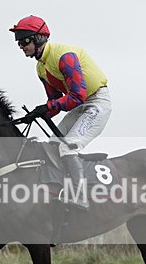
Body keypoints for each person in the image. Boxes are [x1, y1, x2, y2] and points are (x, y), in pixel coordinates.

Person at [10, 15, 112, 210]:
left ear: (38, 38)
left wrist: (47, 108)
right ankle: (59, 188)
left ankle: (80, 196)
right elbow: (55, 102)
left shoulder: (64, 56)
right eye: (18, 43)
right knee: (53, 145)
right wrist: (37, 113)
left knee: (68, 147)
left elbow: (76, 96)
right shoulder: (41, 68)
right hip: (80, 105)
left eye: (24, 41)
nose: (21, 46)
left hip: (97, 102)